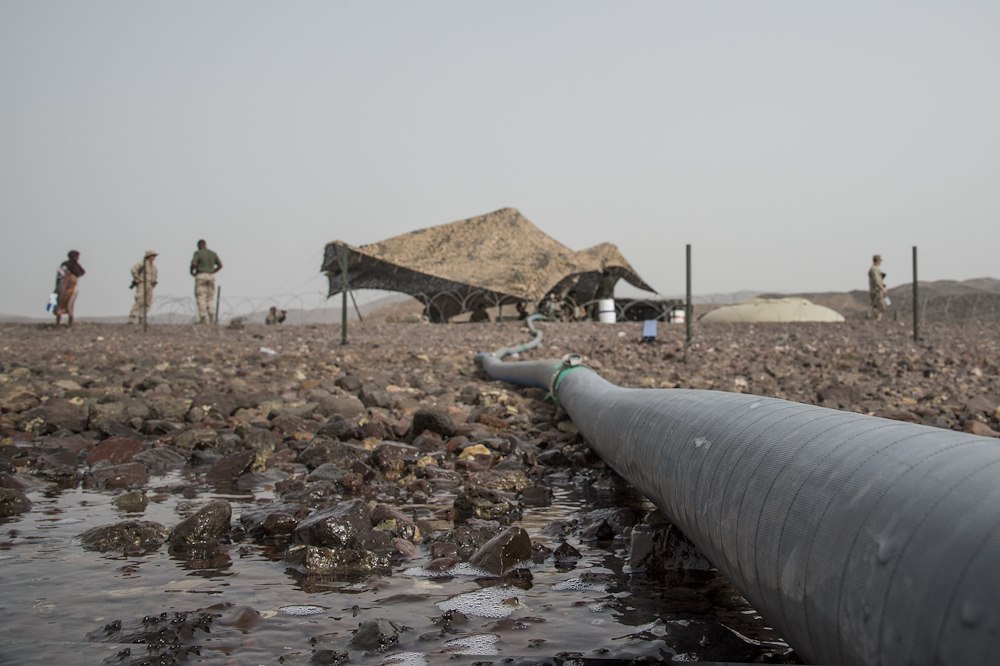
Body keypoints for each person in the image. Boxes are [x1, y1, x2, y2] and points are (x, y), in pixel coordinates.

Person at [190, 239, 223, 324]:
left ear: (199, 246)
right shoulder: (212, 253)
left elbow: (193, 263)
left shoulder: (198, 253)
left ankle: (203, 318)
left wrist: (193, 271)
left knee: (201, 296)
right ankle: (212, 317)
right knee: (210, 298)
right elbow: (220, 265)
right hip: (211, 276)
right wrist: (212, 271)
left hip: (201, 275)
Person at [53, 250, 85, 326]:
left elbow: (81, 272)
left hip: (70, 287)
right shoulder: (67, 265)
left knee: (67, 303)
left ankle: (65, 322)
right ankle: (65, 322)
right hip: (65, 287)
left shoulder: (74, 265)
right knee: (63, 303)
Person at [129, 250, 158, 324]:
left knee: (147, 302)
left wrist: (154, 282)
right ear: (148, 256)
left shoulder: (154, 267)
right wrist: (137, 278)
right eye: (152, 256)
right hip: (142, 284)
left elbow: (155, 276)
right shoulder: (142, 264)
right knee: (139, 300)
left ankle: (142, 318)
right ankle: (132, 317)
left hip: (150, 285)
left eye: (154, 256)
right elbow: (133, 269)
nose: (154, 257)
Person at [868, 254, 888, 321]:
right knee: (880, 306)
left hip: (876, 290)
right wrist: (882, 288)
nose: (880, 262)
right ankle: (874, 319)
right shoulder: (874, 269)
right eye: (880, 260)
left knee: (877, 306)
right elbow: (876, 280)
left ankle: (875, 319)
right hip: (876, 291)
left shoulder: (875, 269)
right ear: (877, 260)